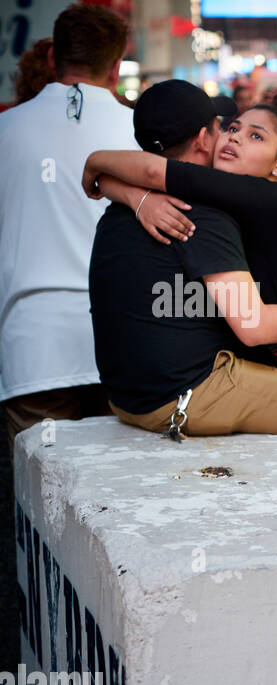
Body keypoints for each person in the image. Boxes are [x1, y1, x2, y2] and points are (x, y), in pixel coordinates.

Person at [84, 81, 277, 479]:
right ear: (206, 138)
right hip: (183, 393)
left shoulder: (130, 203)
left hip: (126, 396)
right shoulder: (204, 213)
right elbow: (253, 326)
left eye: (249, 133)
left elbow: (120, 177)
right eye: (228, 127)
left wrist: (118, 185)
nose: (233, 136)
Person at [0, 3, 136, 448]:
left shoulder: (6, 129)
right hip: (123, 340)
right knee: (113, 499)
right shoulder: (140, 132)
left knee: (40, 506)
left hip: (33, 345)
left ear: (54, 59)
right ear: (116, 68)